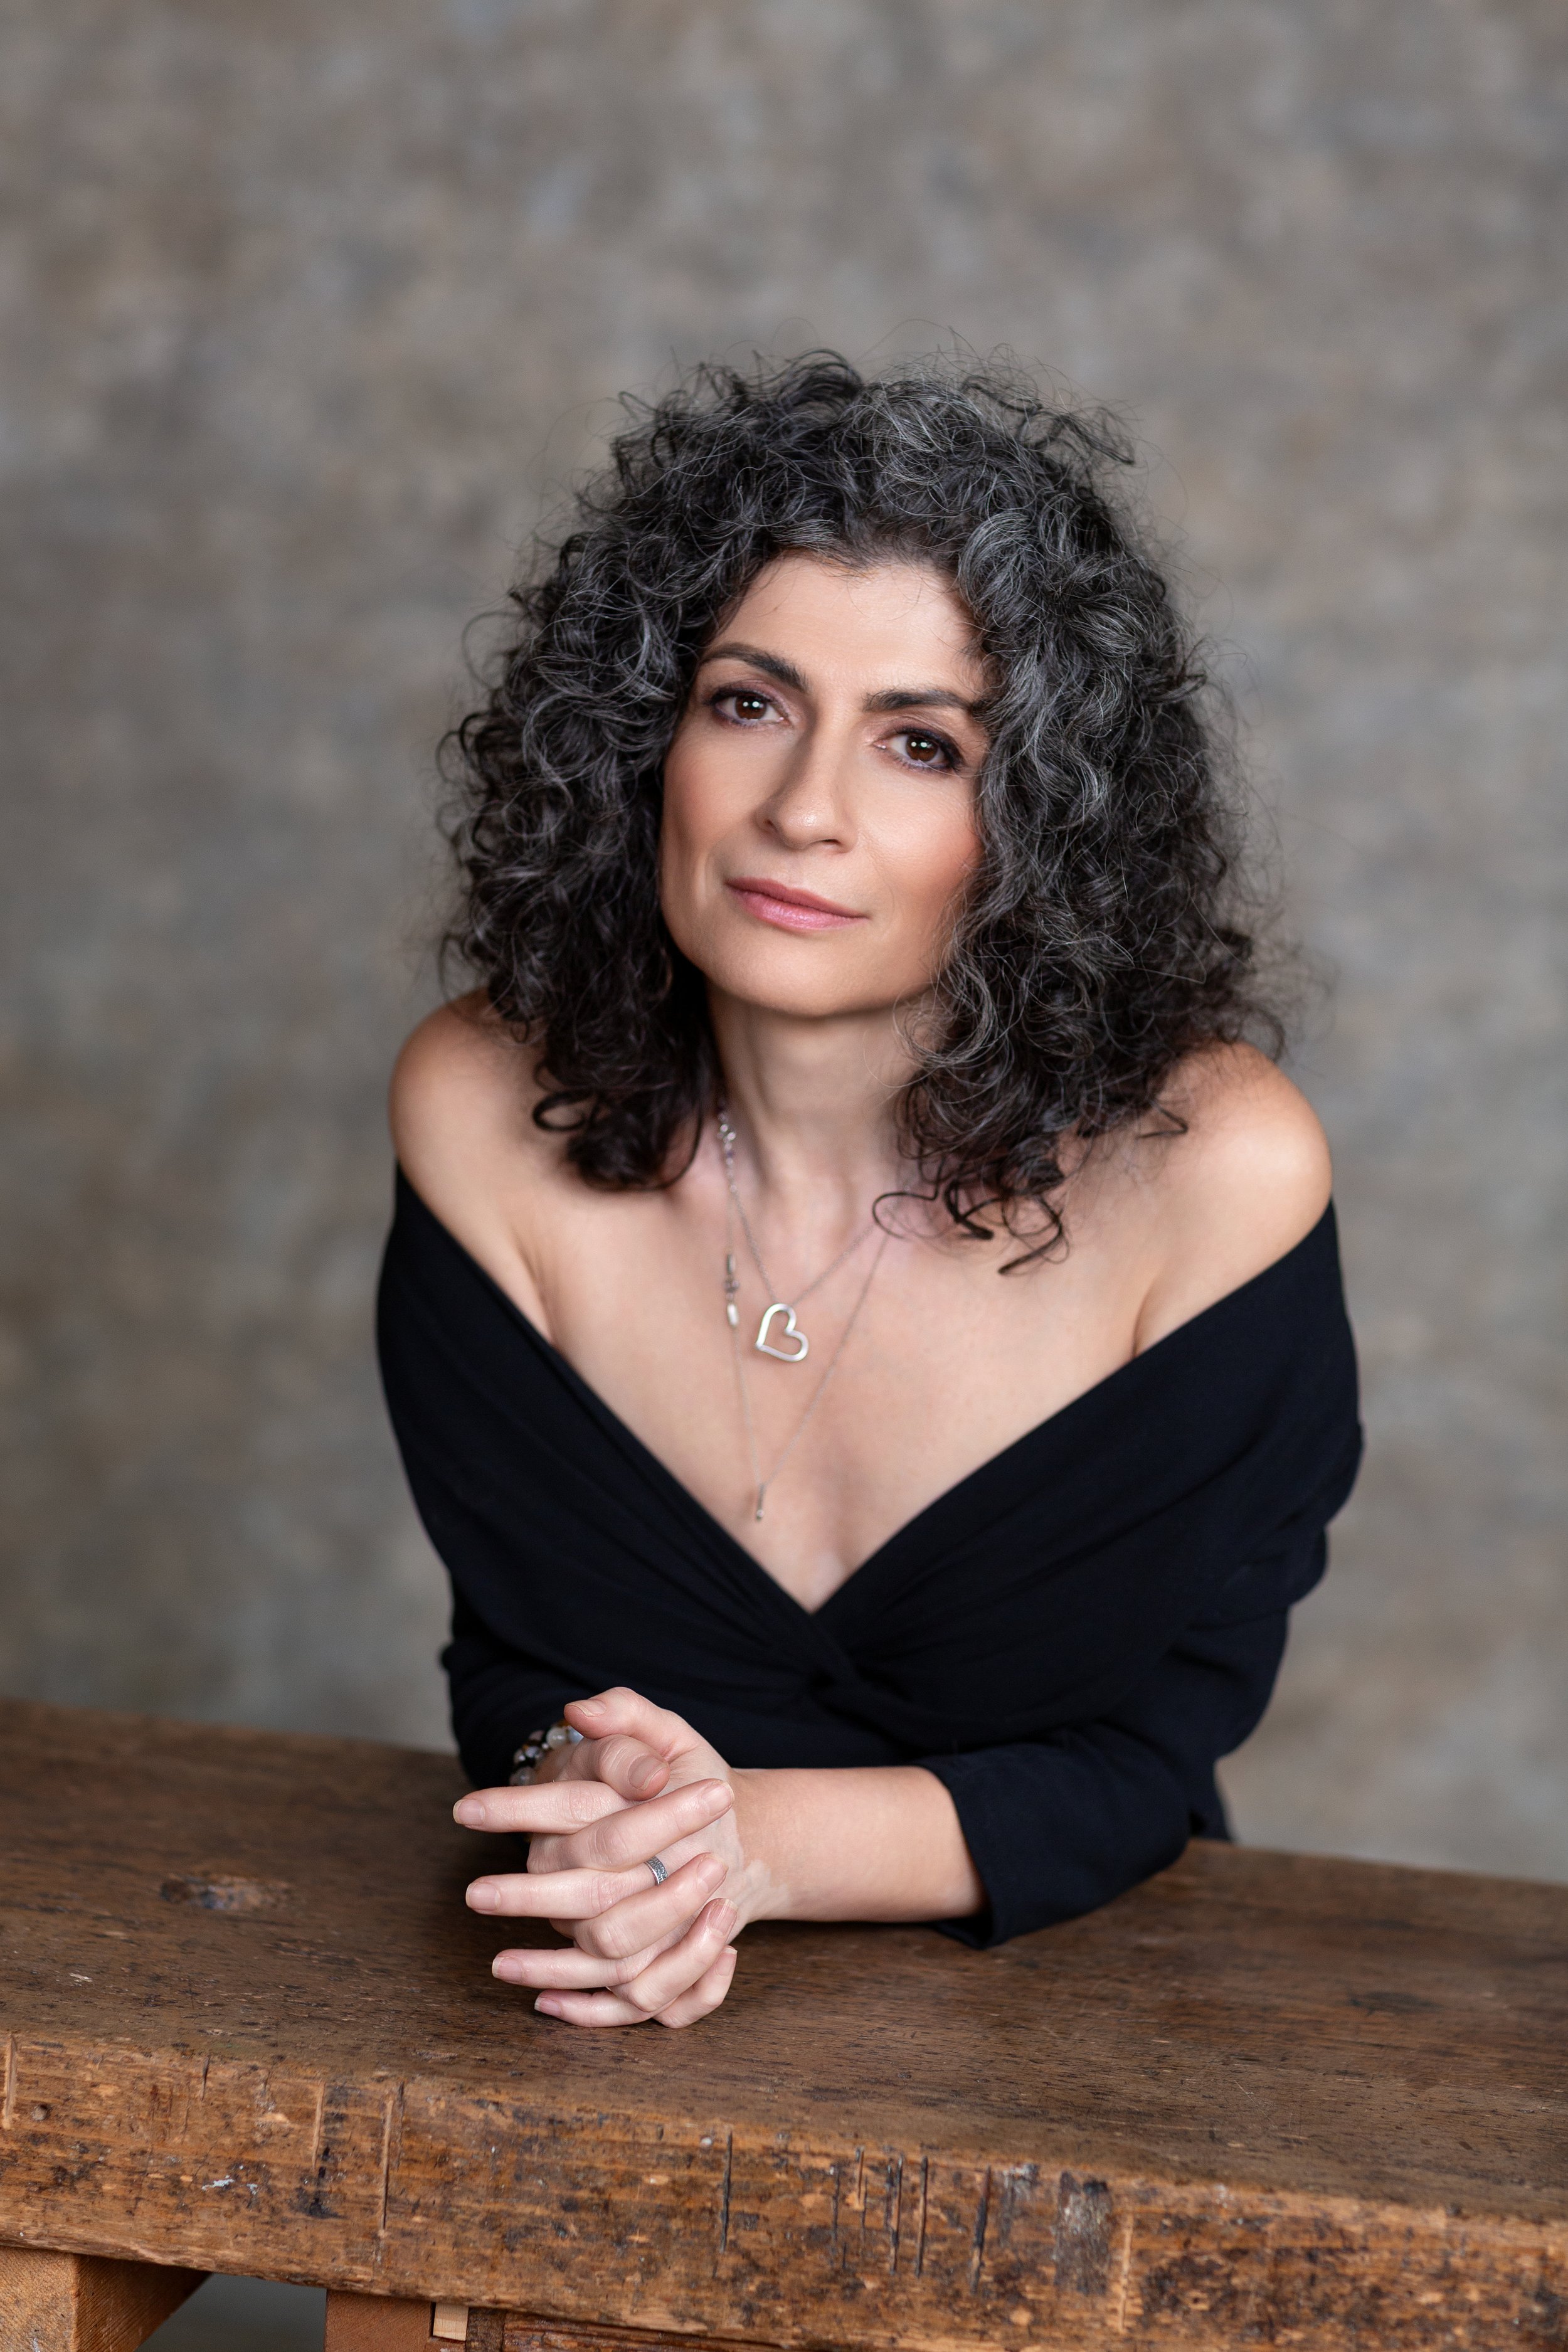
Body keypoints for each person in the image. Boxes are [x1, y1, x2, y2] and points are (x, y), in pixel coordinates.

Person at [378, 354, 1361, 2032]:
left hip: (1076, 2057)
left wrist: (748, 1849)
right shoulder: (477, 1113)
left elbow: (1146, 1751)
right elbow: (514, 1663)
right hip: (581, 2019)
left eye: (920, 744)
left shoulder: (1216, 1178)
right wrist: (597, 1797)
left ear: (1042, 820)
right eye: (746, 703)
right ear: (639, 742)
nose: (802, 812)